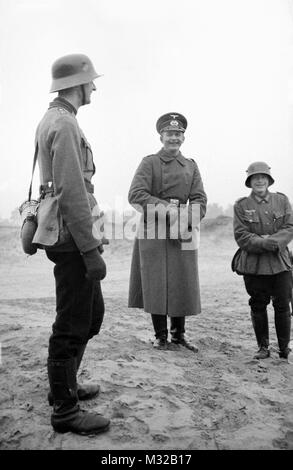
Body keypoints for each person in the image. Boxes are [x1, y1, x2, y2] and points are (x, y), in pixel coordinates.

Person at [32, 54, 110, 434]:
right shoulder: (63, 124)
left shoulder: (58, 118)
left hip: (67, 234)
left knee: (90, 316)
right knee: (72, 323)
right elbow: (71, 191)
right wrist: (90, 249)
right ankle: (64, 410)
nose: (94, 86)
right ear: (78, 84)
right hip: (70, 238)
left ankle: (66, 385)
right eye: (91, 81)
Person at [128, 112, 207, 351]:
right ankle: (160, 336)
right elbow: (136, 194)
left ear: (183, 137)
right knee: (156, 281)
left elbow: (200, 199)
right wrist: (167, 210)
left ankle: (179, 335)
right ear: (161, 136)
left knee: (181, 280)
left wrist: (185, 218)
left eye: (178, 134)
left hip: (182, 228)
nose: (174, 138)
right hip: (153, 228)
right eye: (169, 134)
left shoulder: (191, 166)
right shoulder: (149, 162)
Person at [233, 162, 293, 360]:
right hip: (254, 264)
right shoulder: (242, 205)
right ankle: (263, 348)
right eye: (255, 178)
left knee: (283, 304)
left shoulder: (281, 200)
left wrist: (273, 242)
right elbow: (241, 235)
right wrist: (263, 243)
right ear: (249, 182)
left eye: (263, 177)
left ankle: (284, 349)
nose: (259, 181)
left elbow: (289, 227)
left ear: (269, 180)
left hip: (280, 261)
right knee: (258, 304)